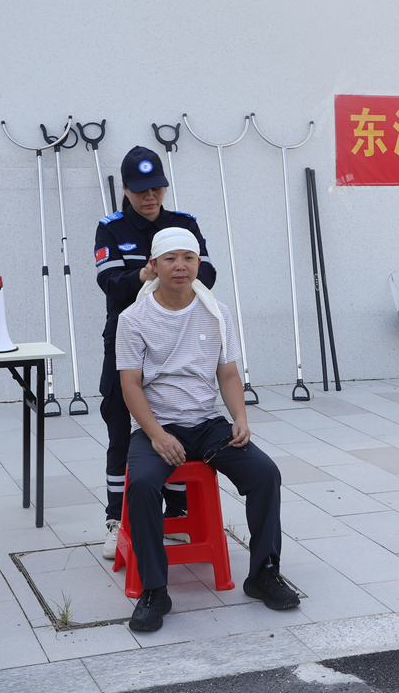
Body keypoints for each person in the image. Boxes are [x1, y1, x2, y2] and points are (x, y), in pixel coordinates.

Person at [116, 227, 299, 632]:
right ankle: (154, 589)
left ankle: (263, 574)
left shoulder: (217, 311)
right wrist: (157, 435)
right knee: (142, 485)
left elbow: (228, 373)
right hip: (158, 426)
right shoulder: (134, 319)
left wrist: (240, 418)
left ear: (199, 263)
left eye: (189, 258)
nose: (180, 266)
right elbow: (130, 385)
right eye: (170, 259)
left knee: (265, 473)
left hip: (206, 424)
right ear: (154, 265)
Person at [94, 146, 217, 560]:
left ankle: (176, 510)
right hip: (127, 339)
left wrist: (171, 271)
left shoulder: (184, 224)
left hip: (179, 340)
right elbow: (110, 284)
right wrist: (145, 274)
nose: (150, 197)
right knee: (119, 426)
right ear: (126, 189)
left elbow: (208, 272)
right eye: (141, 190)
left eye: (157, 189)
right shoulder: (110, 229)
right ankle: (116, 519)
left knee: (180, 420)